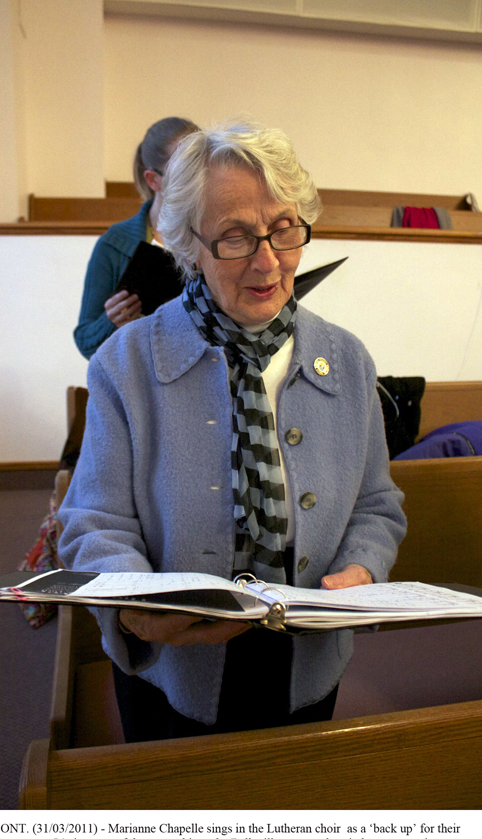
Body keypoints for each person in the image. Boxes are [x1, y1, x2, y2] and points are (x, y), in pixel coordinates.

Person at [59, 120, 406, 742]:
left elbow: (377, 505)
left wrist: (363, 566)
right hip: (174, 666)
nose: (268, 262)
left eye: (284, 229)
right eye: (236, 237)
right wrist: (137, 609)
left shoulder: (347, 360)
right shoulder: (125, 363)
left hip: (308, 662)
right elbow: (93, 521)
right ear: (187, 244)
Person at [74, 116, 199, 359]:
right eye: (184, 171)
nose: (196, 179)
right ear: (153, 180)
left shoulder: (215, 237)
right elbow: (86, 342)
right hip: (138, 374)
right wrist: (111, 321)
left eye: (201, 166)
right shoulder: (114, 245)